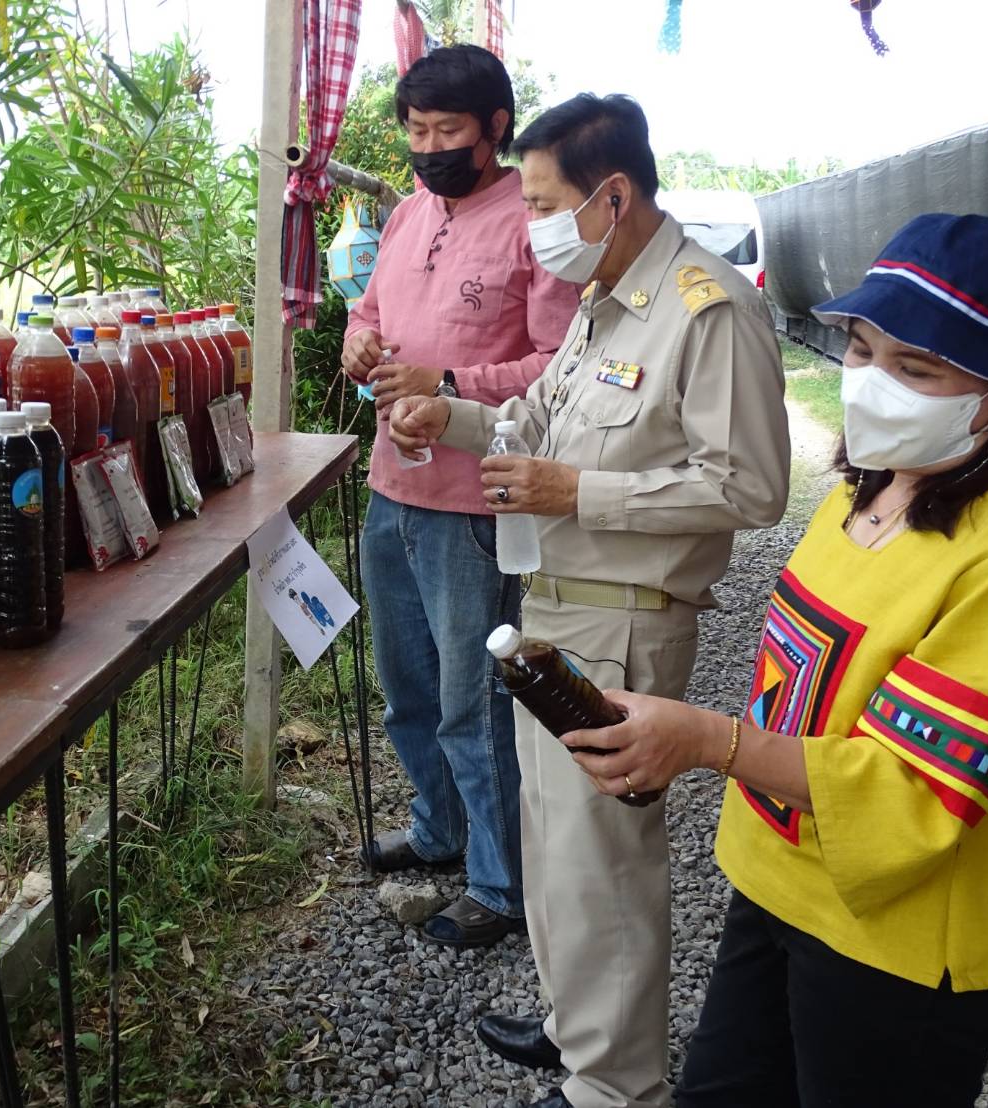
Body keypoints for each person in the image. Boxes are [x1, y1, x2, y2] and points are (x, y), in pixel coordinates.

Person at [554, 212, 988, 1108]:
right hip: (780, 878)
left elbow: (915, 786)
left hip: (902, 939)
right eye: (861, 350)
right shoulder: (863, 493)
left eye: (916, 369)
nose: (873, 383)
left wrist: (707, 741)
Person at [388, 93, 790, 1108]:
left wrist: (578, 492)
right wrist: (453, 416)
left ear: (610, 197)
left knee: (602, 862)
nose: (531, 227)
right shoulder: (605, 296)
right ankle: (577, 1030)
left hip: (623, 619)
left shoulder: (705, 308)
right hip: (554, 607)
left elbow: (750, 486)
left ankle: (614, 1083)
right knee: (556, 845)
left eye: (541, 205)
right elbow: (537, 414)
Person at [345, 44, 582, 948]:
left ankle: (500, 881)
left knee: (473, 702)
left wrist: (446, 381)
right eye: (415, 130)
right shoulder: (409, 212)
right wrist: (358, 343)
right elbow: (370, 313)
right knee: (406, 688)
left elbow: (558, 369)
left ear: (494, 128)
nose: (428, 147)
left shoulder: (531, 222)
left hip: (474, 502)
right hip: (392, 484)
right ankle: (438, 829)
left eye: (447, 130)